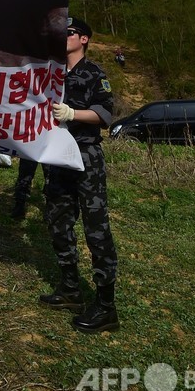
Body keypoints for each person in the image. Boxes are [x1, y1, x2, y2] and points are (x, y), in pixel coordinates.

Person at [39, 17, 119, 332]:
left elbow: (105, 114)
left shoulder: (94, 73)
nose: (64, 37)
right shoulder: (51, 73)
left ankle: (106, 306)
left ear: (83, 39)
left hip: (86, 156)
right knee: (58, 223)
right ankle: (71, 288)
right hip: (56, 158)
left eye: (69, 33)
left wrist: (73, 113)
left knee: (96, 230)